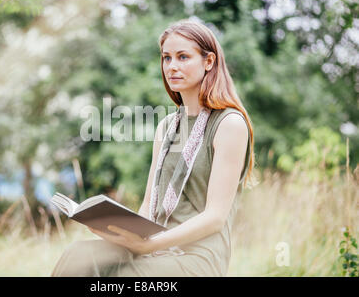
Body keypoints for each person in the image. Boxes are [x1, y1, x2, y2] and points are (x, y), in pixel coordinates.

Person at [51, 19, 255, 277]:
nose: (172, 67)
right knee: (79, 255)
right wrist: (120, 232)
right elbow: (149, 204)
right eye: (166, 58)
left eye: (183, 57)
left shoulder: (229, 123)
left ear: (209, 62)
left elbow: (215, 217)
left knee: (122, 277)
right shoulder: (167, 127)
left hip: (196, 257)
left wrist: (150, 245)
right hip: (152, 244)